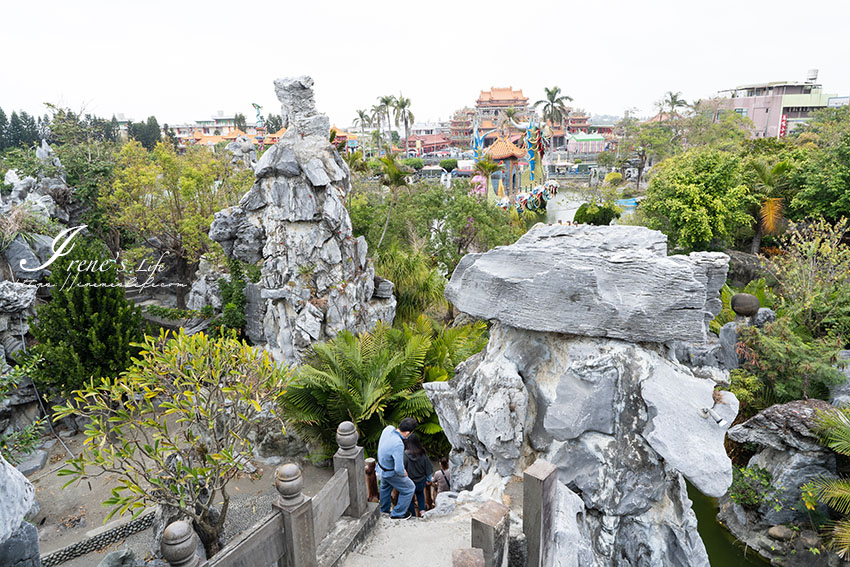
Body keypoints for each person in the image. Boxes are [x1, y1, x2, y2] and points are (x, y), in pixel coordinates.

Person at [377, 417, 417, 519]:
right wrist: (404, 473)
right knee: (409, 488)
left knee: (385, 488)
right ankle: (397, 514)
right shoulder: (398, 444)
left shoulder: (388, 429)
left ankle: (384, 510)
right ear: (408, 433)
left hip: (381, 467)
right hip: (390, 472)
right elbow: (398, 469)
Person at [403, 433, 433, 517]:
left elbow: (402, 469)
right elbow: (428, 467)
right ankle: (422, 511)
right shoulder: (423, 453)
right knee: (420, 495)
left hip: (409, 482)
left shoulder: (405, 455)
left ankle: (412, 514)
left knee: (410, 499)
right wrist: (428, 479)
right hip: (421, 481)